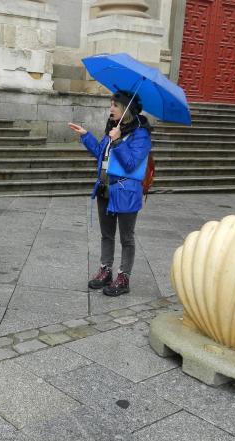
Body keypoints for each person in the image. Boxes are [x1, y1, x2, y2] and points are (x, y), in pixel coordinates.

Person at [68, 90, 151, 297]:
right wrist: (86, 136)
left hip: (126, 192)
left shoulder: (141, 134)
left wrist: (118, 141)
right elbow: (100, 154)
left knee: (126, 237)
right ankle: (106, 270)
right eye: (110, 104)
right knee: (106, 234)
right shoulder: (113, 129)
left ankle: (123, 277)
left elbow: (131, 164)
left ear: (126, 108)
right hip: (105, 188)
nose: (110, 109)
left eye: (115, 105)